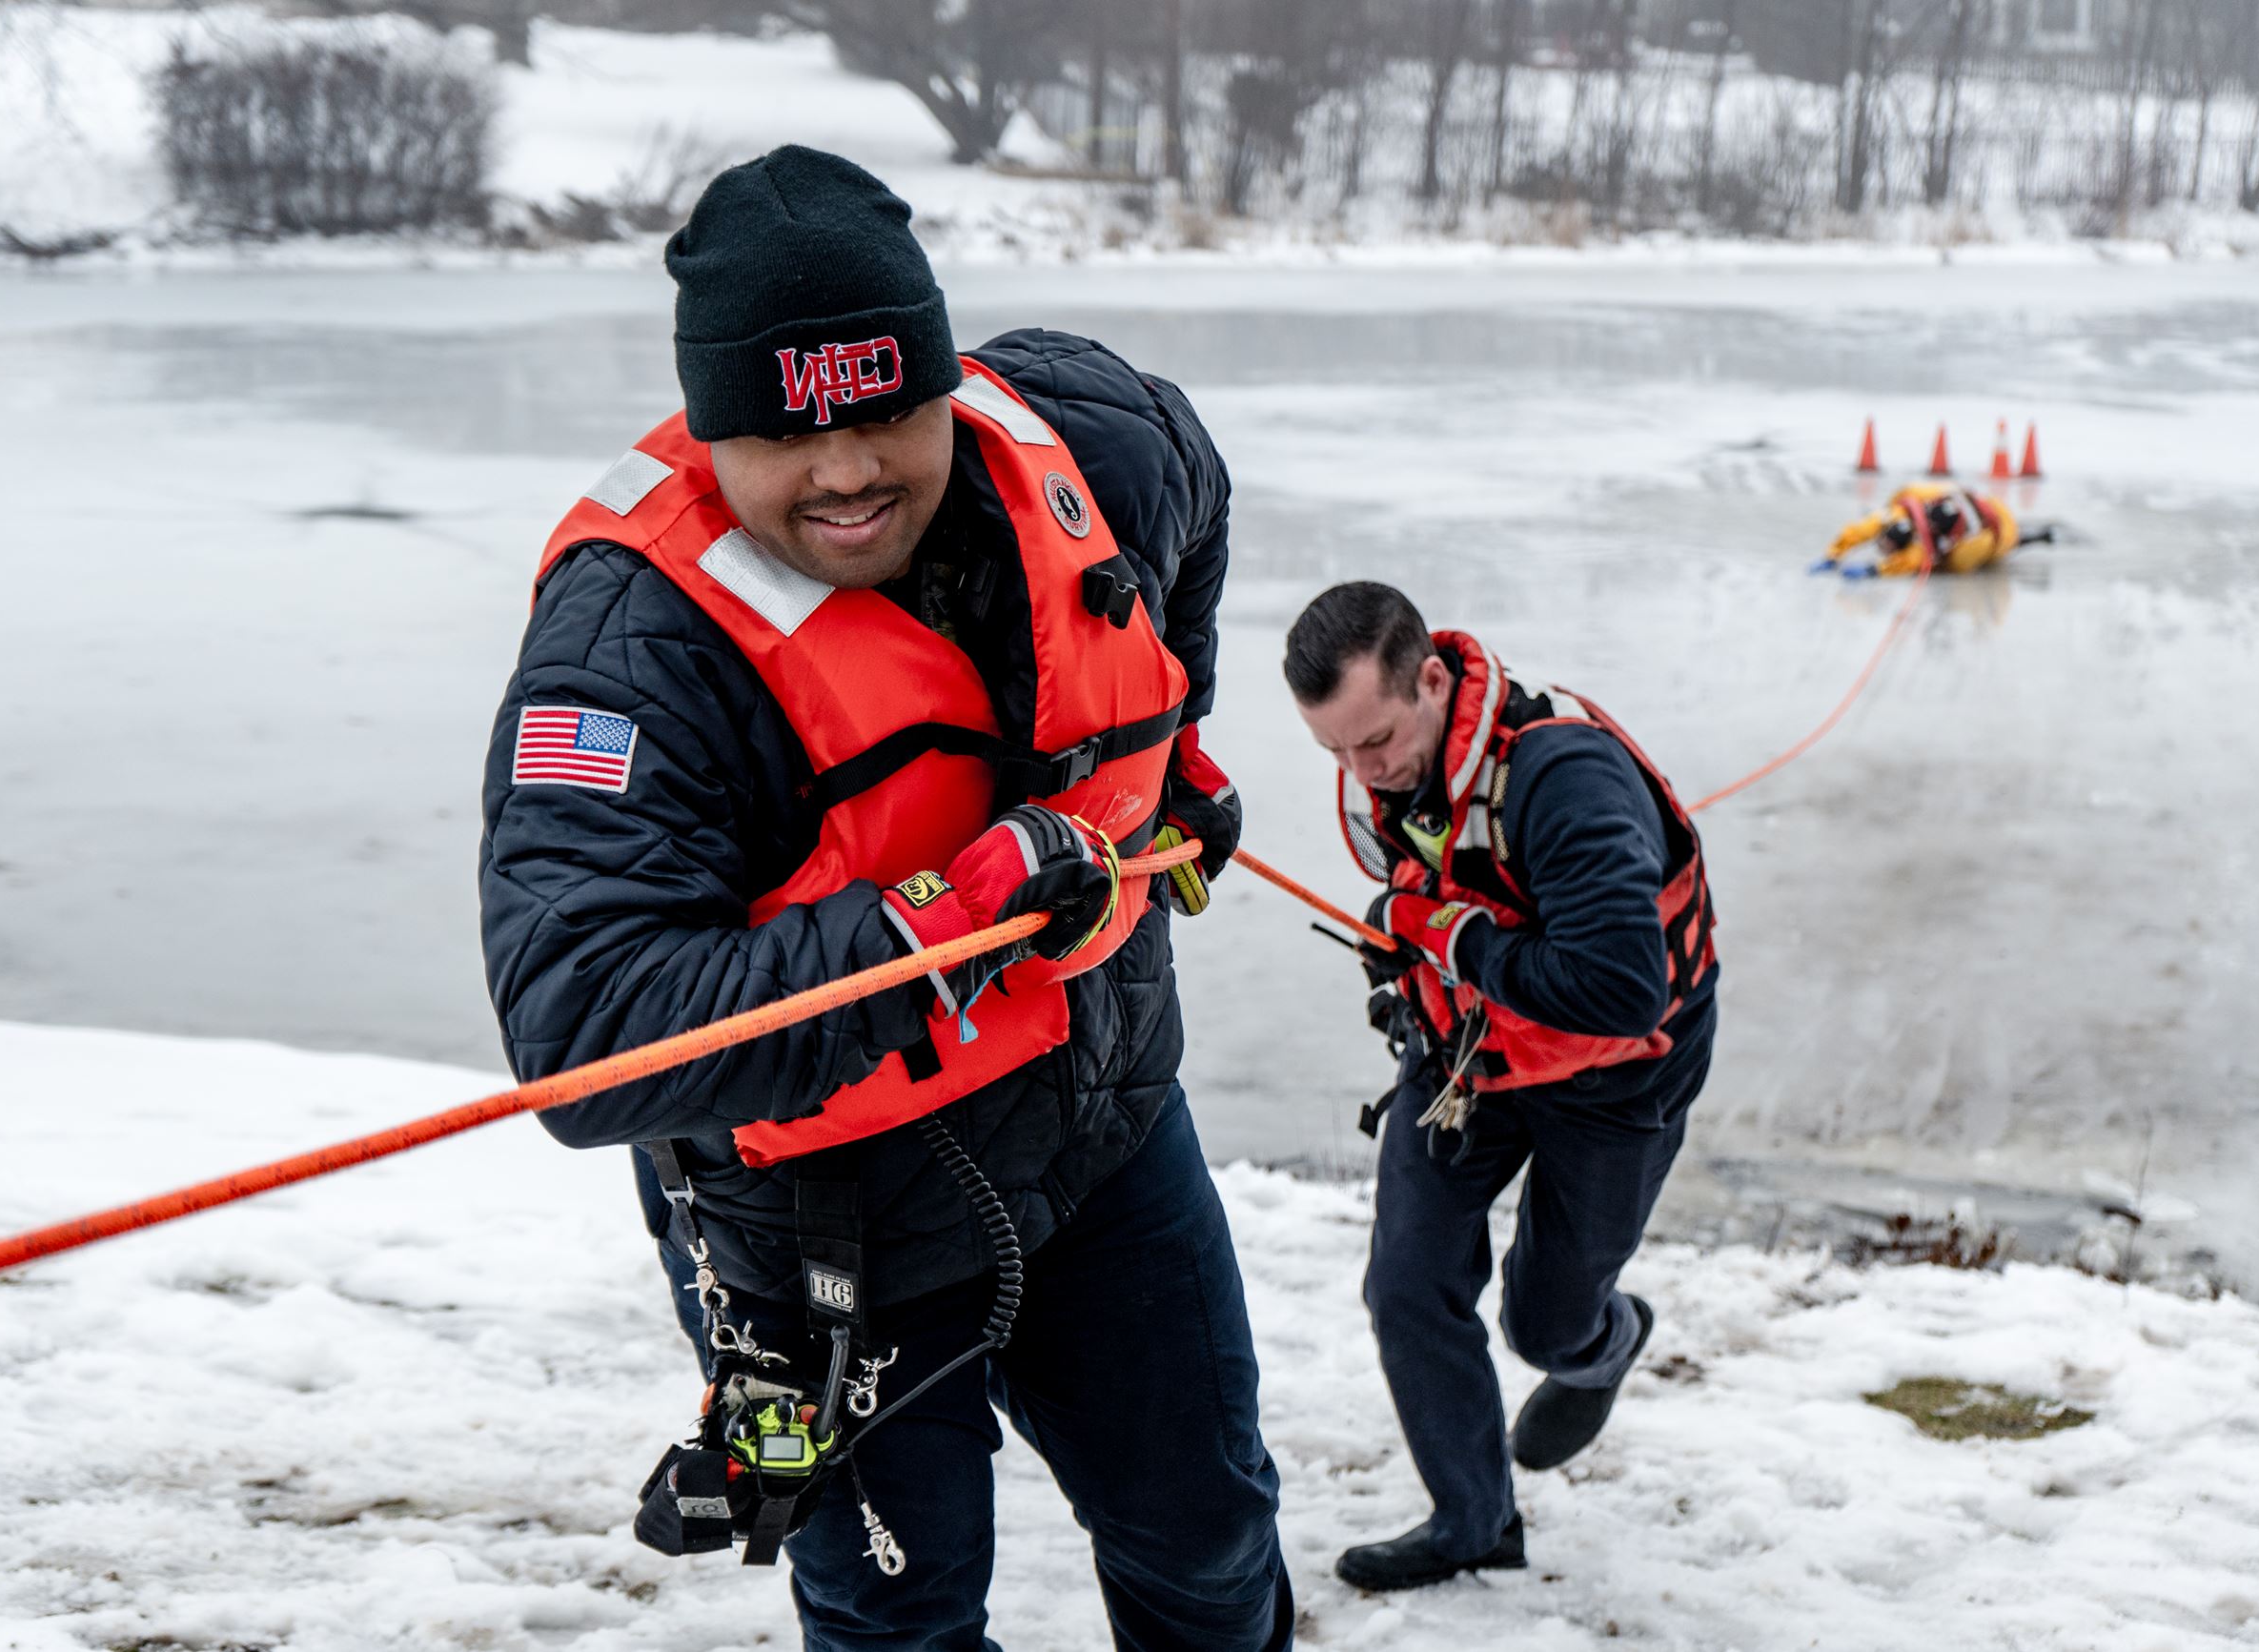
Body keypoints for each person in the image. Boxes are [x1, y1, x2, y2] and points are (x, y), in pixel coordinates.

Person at [479, 145, 1287, 1650]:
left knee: (1212, 1539)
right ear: (711, 430)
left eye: (884, 407)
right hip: (821, 1233)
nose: (848, 468)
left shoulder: (1100, 441)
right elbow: (584, 1029)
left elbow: (1196, 513)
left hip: (1103, 1124)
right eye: (788, 434)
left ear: (941, 379)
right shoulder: (626, 654)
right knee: (899, 1624)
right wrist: (947, 920)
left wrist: (1170, 754)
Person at [1283, 582, 1720, 1592]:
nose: (1364, 773)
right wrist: (1406, 958)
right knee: (1405, 1283)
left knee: (1543, 1321)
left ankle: (1601, 1342)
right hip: (1465, 1055)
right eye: (1335, 752)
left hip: (1616, 1072)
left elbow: (1617, 988)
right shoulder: (1387, 766)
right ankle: (1474, 1521)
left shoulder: (1562, 779)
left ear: (1431, 677)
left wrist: (1449, 935)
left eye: (1377, 740)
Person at [1819, 480, 2023, 578]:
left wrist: (1874, 570)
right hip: (1989, 505)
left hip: (2004, 532)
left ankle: (2032, 537)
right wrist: (1833, 554)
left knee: (2011, 543)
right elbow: (1864, 528)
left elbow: (1912, 563)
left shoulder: (1967, 547)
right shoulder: (1919, 499)